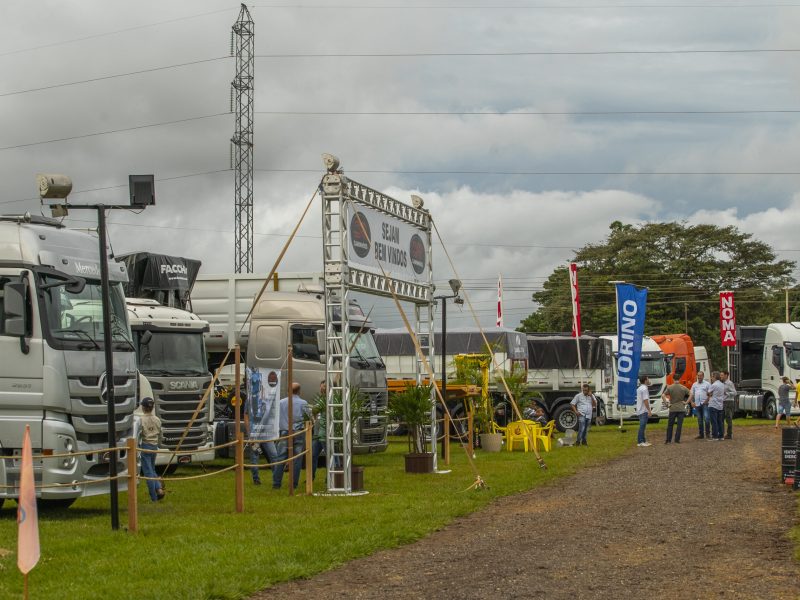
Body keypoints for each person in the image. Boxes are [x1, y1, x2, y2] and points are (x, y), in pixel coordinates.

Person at [273, 382, 311, 489]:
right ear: (299, 391)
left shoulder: (281, 402)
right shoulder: (303, 403)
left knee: (280, 458)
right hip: (298, 432)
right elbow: (308, 418)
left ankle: (276, 484)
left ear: (288, 391)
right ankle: (294, 484)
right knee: (297, 459)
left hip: (285, 432)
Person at [138, 397, 165, 502]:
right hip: (154, 447)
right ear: (152, 407)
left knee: (148, 473)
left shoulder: (141, 420)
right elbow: (160, 433)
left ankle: (154, 498)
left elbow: (139, 434)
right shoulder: (157, 419)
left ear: (143, 407)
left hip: (145, 446)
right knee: (152, 469)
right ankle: (159, 489)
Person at [663, 378, 691, 444]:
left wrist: (667, 404)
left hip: (672, 408)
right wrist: (686, 402)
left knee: (670, 425)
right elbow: (691, 394)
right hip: (681, 408)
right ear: (679, 379)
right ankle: (677, 440)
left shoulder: (670, 387)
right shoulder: (683, 387)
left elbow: (663, 395)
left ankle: (668, 440)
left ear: (673, 379)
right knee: (679, 425)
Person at [689, 371, 711, 439]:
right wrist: (692, 402)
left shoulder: (707, 384)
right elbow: (691, 394)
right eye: (698, 376)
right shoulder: (694, 384)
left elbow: (710, 394)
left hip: (705, 404)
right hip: (697, 404)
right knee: (699, 420)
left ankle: (708, 433)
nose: (699, 377)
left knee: (706, 418)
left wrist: (707, 400)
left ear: (703, 376)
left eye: (700, 376)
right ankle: (701, 434)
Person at [311, 380, 326, 481]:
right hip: (317, 433)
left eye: (324, 386)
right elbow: (314, 411)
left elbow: (314, 410)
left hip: (325, 433)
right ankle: (311, 476)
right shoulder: (319, 398)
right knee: (313, 455)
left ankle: (333, 477)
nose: (322, 388)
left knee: (331, 456)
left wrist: (314, 413)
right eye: (321, 386)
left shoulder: (329, 399)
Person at [707, 371, 725, 441]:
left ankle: (715, 436)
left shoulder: (714, 385)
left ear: (714, 377)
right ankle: (721, 435)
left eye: (712, 376)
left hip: (713, 404)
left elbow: (708, 393)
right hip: (720, 405)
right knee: (720, 421)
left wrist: (710, 394)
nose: (711, 378)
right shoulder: (722, 384)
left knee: (714, 421)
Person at [636, 376, 652, 447]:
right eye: (648, 379)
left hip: (640, 409)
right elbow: (645, 400)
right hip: (643, 410)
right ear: (645, 380)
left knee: (643, 426)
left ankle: (643, 440)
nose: (649, 380)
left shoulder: (639, 388)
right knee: (642, 426)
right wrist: (649, 410)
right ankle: (640, 441)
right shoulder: (645, 389)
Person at [720, 370, 737, 439]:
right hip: (723, 402)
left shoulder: (729, 383)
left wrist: (727, 393)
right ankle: (721, 433)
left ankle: (729, 434)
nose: (720, 376)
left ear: (726, 375)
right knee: (721, 418)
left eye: (722, 375)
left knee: (728, 418)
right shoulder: (721, 383)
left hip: (729, 402)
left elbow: (735, 393)